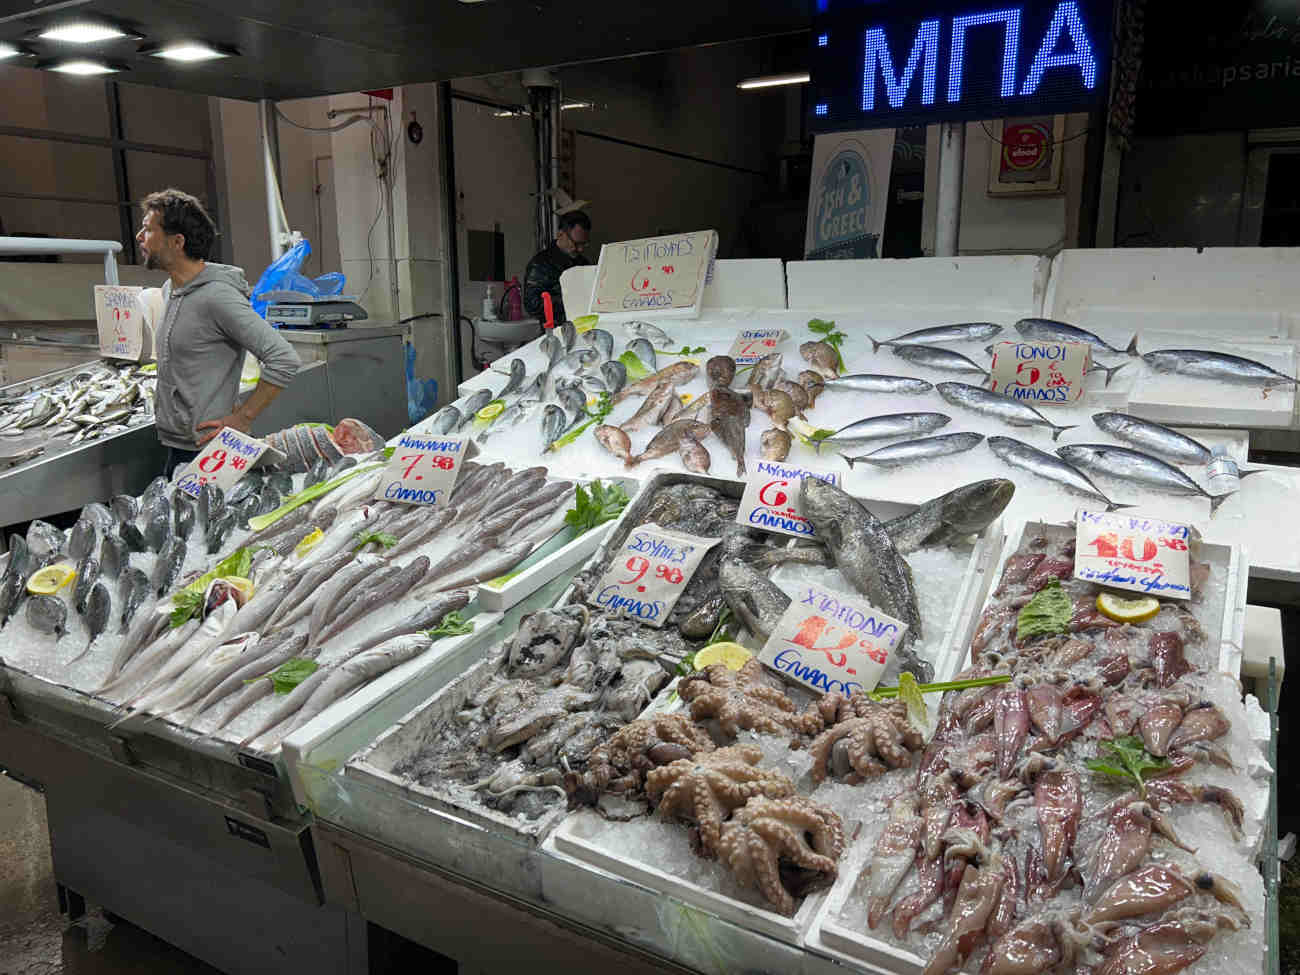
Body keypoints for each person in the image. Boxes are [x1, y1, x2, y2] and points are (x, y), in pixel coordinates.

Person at [135, 189, 301, 477]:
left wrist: (242, 418)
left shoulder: (217, 297)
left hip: (210, 451)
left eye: (149, 230)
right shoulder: (170, 291)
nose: (139, 237)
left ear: (177, 242)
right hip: (178, 448)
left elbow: (284, 358)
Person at [523, 210, 591, 325]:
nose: (580, 249)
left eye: (584, 244)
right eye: (576, 243)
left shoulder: (583, 262)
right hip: (554, 331)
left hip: (582, 326)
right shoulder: (540, 264)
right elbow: (532, 305)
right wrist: (569, 300)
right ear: (560, 234)